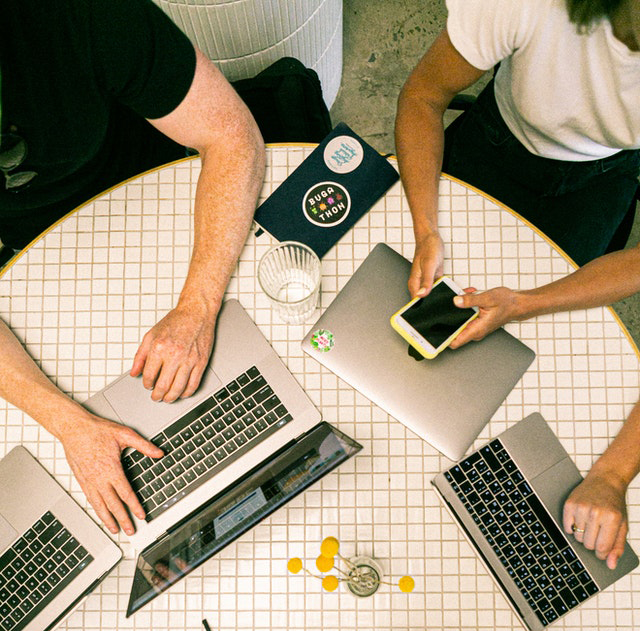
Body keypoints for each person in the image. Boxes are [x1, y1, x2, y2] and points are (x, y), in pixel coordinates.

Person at [0, 0, 265, 536]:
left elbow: (234, 139)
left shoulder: (78, 15)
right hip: (43, 256)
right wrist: (71, 426)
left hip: (165, 188)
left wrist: (197, 307)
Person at [395, 0, 640, 569]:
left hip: (606, 176)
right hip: (496, 140)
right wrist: (427, 229)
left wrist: (527, 304)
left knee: (539, 359)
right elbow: (423, 96)